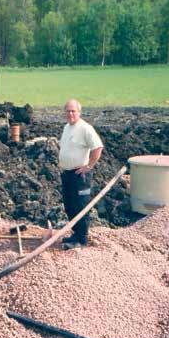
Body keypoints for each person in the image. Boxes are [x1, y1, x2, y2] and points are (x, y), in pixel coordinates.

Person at [58, 99, 104, 250]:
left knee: (80, 206)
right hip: (67, 174)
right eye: (68, 111)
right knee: (69, 206)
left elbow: (97, 148)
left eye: (73, 111)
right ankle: (75, 234)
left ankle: (82, 239)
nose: (70, 114)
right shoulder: (67, 127)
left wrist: (88, 166)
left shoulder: (85, 128)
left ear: (79, 112)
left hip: (80, 176)